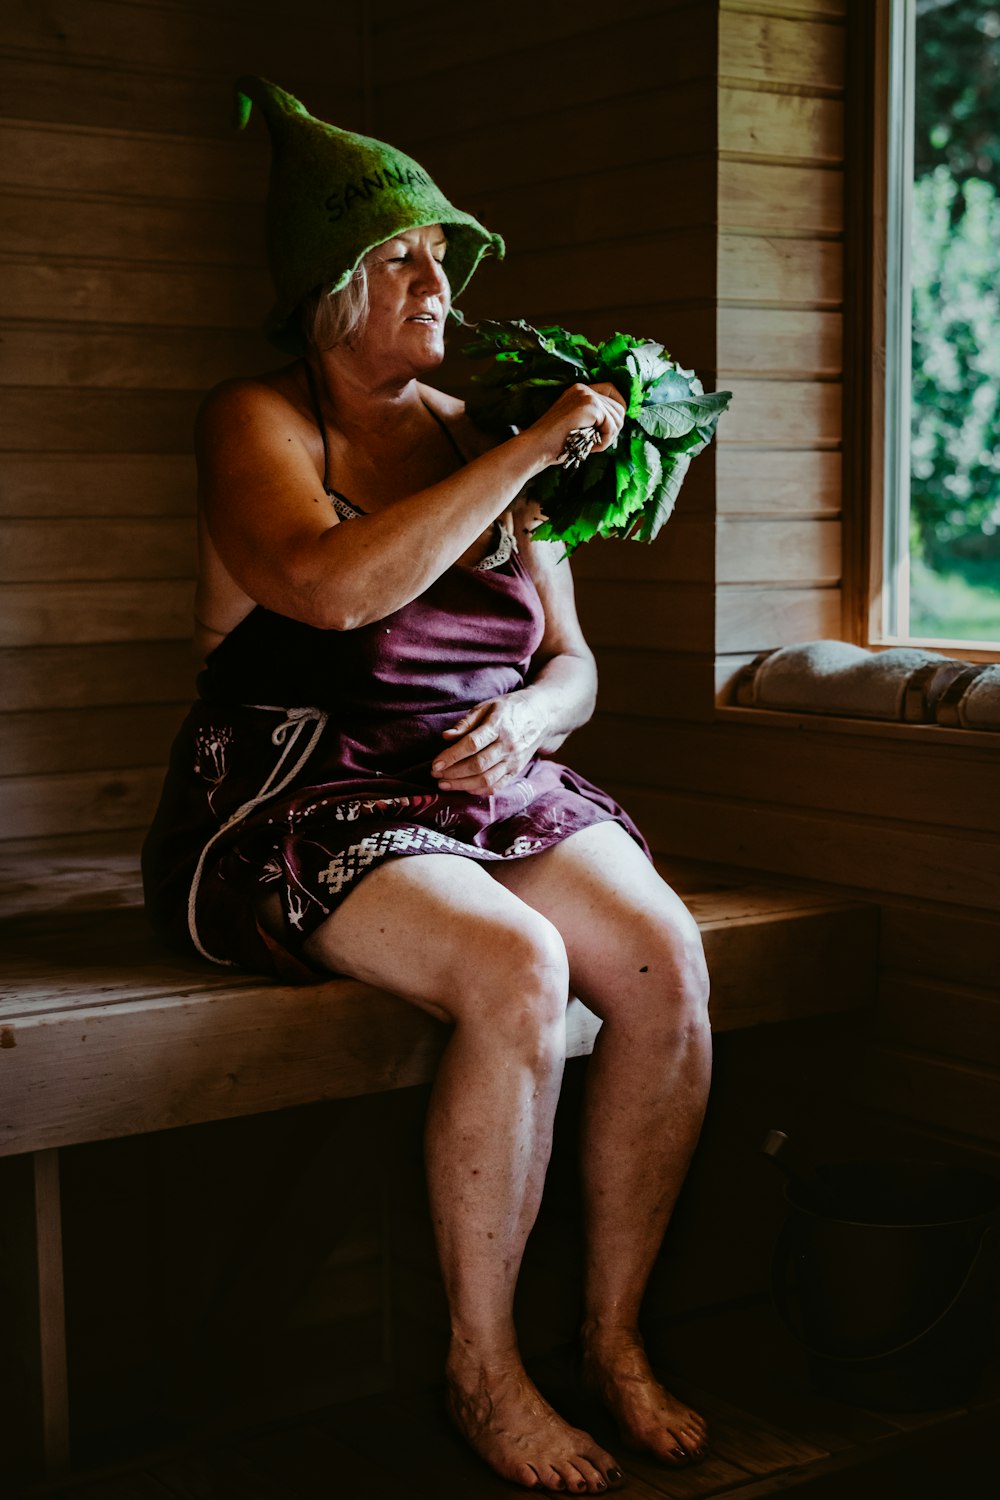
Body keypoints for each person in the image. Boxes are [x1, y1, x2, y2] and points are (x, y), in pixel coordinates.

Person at [143, 78, 712, 1496]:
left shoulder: (484, 429)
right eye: (404, 255)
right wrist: (526, 450)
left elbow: (577, 663)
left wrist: (530, 716)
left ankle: (612, 1336)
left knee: (664, 957)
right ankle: (482, 1365)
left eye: (444, 254)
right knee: (518, 962)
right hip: (295, 785)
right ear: (331, 284)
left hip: (476, 782)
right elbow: (331, 592)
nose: (439, 279)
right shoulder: (256, 419)